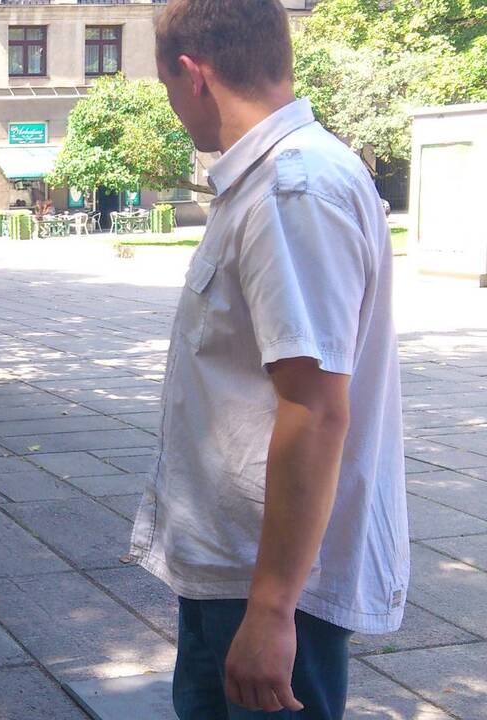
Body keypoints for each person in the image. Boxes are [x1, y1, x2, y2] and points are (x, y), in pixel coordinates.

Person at [127, 2, 408, 719]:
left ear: (193, 75)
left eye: (165, 85)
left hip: (268, 580)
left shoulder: (295, 189)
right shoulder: (268, 181)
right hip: (237, 567)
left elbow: (314, 408)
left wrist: (274, 609)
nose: (173, 105)